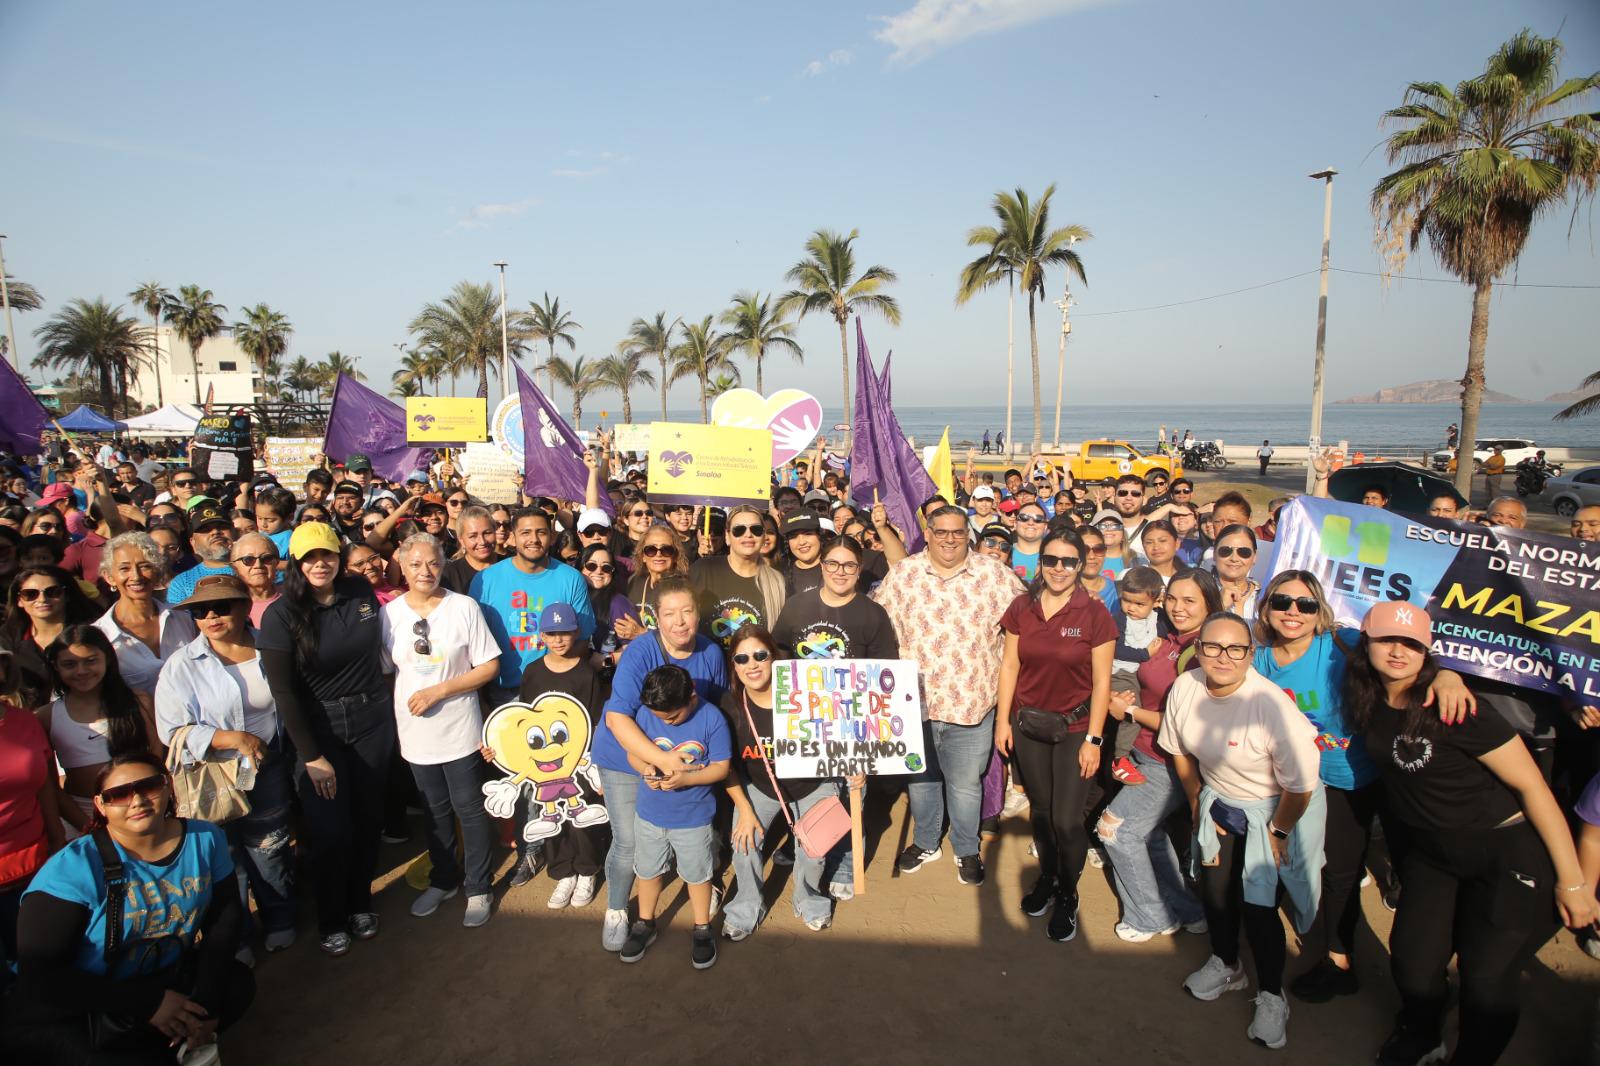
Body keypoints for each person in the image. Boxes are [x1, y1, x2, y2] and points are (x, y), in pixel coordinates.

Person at [1346, 602, 1598, 1066]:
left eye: (1412, 644)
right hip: (1431, 852)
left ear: (1428, 651)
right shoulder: (1362, 690)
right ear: (1366, 642)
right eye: (1387, 640)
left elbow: (1533, 788)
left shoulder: (1458, 707)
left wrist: (1574, 881)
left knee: (1487, 982)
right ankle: (1422, 1032)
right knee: (1413, 963)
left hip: (1506, 853)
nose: (1398, 651)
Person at [1253, 569, 1475, 1005]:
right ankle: (1340, 963)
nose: (1292, 612)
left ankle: (1439, 968)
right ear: (1266, 607)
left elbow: (1405, 654)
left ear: (1320, 610)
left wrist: (1446, 675)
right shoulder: (1261, 660)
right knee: (1340, 872)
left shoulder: (1343, 644)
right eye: (1281, 602)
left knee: (1419, 873)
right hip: (1329, 782)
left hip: (1390, 771)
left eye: (1305, 604)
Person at [5, 752, 255, 1065]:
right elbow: (40, 976)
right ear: (100, 805)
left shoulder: (205, 839)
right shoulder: (73, 868)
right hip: (80, 999)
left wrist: (206, 1004)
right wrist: (150, 1004)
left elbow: (224, 921)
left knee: (235, 986)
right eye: (118, 795)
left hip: (156, 976)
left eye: (148, 786)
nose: (136, 800)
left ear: (167, 787)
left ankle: (175, 1036)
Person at [1162, 611, 1324, 1051]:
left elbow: (1300, 785)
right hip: (1220, 799)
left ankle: (1273, 996)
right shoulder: (1186, 686)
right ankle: (1227, 963)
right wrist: (1197, 802)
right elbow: (1180, 751)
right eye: (1212, 646)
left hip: (1277, 809)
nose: (1223, 657)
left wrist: (1278, 832)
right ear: (1199, 649)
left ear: (1250, 654)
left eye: (1236, 649)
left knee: (1258, 905)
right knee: (1215, 891)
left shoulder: (1270, 706)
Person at [257, 523, 395, 957]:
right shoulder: (282, 615)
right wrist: (312, 756)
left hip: (374, 719)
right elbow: (284, 692)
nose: (320, 563)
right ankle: (331, 916)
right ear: (296, 562)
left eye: (328, 555)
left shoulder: (359, 593)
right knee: (330, 830)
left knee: (368, 819)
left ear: (339, 556)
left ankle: (360, 903)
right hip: (321, 729)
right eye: (310, 557)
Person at [873, 505, 1024, 886]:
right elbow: (876, 626)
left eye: (958, 532)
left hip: (971, 706)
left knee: (965, 785)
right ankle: (926, 841)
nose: (949, 539)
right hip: (913, 705)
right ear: (928, 533)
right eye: (941, 532)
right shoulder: (903, 575)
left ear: (967, 535)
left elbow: (1025, 626)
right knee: (921, 782)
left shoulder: (995, 576)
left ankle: (966, 848)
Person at [154, 575, 297, 958]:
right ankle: (238, 938)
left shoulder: (270, 646)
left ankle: (280, 917)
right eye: (201, 611)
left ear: (242, 606)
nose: (211, 616)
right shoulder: (181, 665)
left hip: (268, 767)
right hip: (213, 773)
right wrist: (231, 738)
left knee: (270, 849)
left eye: (221, 607)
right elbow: (171, 730)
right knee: (226, 859)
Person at [591, 575, 727, 951]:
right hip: (624, 755)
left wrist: (687, 767)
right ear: (655, 618)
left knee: (694, 822)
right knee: (631, 840)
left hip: (681, 759)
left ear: (699, 615)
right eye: (670, 613)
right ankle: (618, 908)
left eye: (687, 611)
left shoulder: (711, 653)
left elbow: (713, 712)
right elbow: (619, 717)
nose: (680, 621)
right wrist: (660, 762)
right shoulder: (640, 651)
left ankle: (700, 881)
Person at [994, 530, 1115, 941]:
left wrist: (1094, 740)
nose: (1058, 569)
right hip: (1029, 726)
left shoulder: (1094, 614)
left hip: (1075, 729)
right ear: (1040, 563)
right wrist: (1002, 722)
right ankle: (1047, 878)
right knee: (1041, 813)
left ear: (1081, 565)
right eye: (1050, 560)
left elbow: (1102, 684)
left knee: (1066, 820)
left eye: (1067, 561)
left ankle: (1068, 892)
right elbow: (1009, 666)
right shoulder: (1022, 607)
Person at [383, 533, 501, 929]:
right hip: (415, 734)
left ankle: (478, 885)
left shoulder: (462, 607)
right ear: (401, 565)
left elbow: (487, 666)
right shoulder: (390, 614)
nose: (425, 571)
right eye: (415, 564)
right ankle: (444, 879)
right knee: (434, 812)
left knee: (468, 809)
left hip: (459, 728)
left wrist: (442, 689)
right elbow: (388, 671)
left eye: (432, 563)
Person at [1096, 569, 1220, 941]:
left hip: (1171, 761)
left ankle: (1150, 918)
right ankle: (1187, 911)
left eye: (1190, 601)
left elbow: (1185, 722)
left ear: (1209, 603)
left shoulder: (1204, 652)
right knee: (1146, 835)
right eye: (1173, 599)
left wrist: (1129, 712)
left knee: (1115, 831)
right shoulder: (1169, 635)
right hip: (1145, 751)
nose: (1178, 608)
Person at [721, 625, 861, 938]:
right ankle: (746, 907)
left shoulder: (808, 694)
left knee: (814, 852)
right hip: (759, 788)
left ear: (775, 657)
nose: (752, 664)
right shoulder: (730, 704)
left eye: (760, 655)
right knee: (743, 844)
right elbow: (726, 765)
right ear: (734, 665)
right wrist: (743, 809)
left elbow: (843, 734)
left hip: (812, 784)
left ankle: (809, 899)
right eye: (742, 659)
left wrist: (854, 763)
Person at [618, 664, 731, 969]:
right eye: (659, 717)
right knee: (648, 871)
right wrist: (647, 769)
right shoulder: (645, 714)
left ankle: (702, 927)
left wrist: (686, 780)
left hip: (694, 819)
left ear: (691, 696)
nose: (665, 721)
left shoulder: (712, 719)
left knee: (698, 875)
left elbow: (721, 768)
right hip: (650, 814)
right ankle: (645, 922)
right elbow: (633, 752)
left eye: (672, 717)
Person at [513, 603, 610, 911]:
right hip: (545, 765)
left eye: (565, 633)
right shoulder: (533, 672)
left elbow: (594, 723)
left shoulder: (586, 673)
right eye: (552, 634)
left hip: (578, 761)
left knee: (583, 818)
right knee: (551, 816)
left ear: (576, 633)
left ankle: (587, 870)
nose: (558, 640)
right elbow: (524, 719)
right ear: (541, 635)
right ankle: (563, 871)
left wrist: (593, 766)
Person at [38, 626, 163, 836]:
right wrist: (87, 826)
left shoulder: (138, 701)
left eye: (90, 661)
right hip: (81, 814)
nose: (81, 671)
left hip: (141, 807)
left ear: (108, 659)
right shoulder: (46, 716)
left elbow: (157, 757)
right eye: (69, 664)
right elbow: (49, 785)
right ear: (56, 667)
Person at [471, 508, 596, 711]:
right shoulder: (486, 580)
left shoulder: (571, 578)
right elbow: (473, 644)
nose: (534, 539)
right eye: (526, 533)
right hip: (501, 694)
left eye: (541, 532)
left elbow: (582, 639)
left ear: (552, 536)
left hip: (554, 690)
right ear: (512, 536)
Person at [0, 652, 64, 979]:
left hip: (30, 868)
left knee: (34, 969)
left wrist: (57, 841)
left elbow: (46, 788)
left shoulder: (25, 721)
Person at [95, 533, 199, 704]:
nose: (136, 576)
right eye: (124, 568)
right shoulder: (101, 636)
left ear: (157, 573)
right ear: (109, 577)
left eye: (144, 566)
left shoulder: (184, 618)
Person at [6, 565, 102, 710]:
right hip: (30, 723)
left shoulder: (93, 632)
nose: (42, 599)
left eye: (53, 592)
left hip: (87, 718)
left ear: (67, 595)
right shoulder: (7, 638)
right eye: (30, 594)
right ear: (19, 600)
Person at [688, 504, 786, 647]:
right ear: (727, 537)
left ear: (763, 536)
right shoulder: (703, 569)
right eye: (739, 530)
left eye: (756, 530)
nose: (748, 535)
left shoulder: (777, 581)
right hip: (710, 667)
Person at [1108, 565, 1165, 786]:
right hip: (1120, 671)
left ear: (1156, 600)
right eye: (1127, 601)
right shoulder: (1120, 619)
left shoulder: (1157, 619)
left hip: (1137, 672)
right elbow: (1115, 647)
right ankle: (1120, 759)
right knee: (1133, 709)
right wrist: (1144, 654)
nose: (1131, 608)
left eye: (1139, 604)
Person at [581, 543, 642, 670]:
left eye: (606, 568)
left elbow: (633, 645)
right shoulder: (572, 598)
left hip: (608, 679)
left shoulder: (619, 603)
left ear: (612, 573)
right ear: (580, 567)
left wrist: (607, 660)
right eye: (591, 566)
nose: (598, 571)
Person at [164, 502, 237, 606]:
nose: (215, 532)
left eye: (222, 526)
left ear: (235, 532)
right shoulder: (182, 583)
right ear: (192, 542)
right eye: (206, 529)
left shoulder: (255, 565)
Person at [625, 524, 688, 632]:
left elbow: (680, 633)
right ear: (643, 556)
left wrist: (641, 634)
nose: (658, 554)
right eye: (651, 550)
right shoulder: (634, 582)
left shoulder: (682, 588)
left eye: (666, 550)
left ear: (675, 556)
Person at [440, 505, 500, 594]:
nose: (482, 541)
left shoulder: (513, 565)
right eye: (473, 536)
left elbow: (529, 600)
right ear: (462, 541)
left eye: (487, 533)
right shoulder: (448, 574)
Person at [1210, 524, 1260, 622]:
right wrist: (1220, 607)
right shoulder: (1199, 592)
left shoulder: (1265, 596)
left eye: (1244, 552)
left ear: (1254, 557)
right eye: (1225, 551)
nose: (1234, 558)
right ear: (1214, 554)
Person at [230, 533, 281, 627]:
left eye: (266, 558)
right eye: (248, 560)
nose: (258, 565)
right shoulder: (229, 606)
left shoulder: (293, 598)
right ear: (234, 567)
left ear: (276, 562)